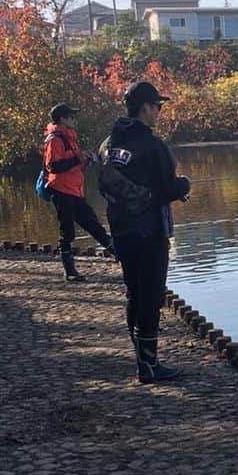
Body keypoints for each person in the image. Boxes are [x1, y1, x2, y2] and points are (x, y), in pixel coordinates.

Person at [98, 81, 190, 384]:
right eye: (158, 106)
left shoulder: (108, 144)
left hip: (121, 230)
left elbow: (105, 184)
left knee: (134, 293)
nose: (160, 112)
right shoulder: (153, 145)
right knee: (151, 296)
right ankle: (149, 366)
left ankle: (141, 359)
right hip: (150, 231)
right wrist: (183, 187)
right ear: (146, 107)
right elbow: (166, 187)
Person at [42, 103, 113, 282]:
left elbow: (71, 164)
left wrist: (84, 160)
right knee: (67, 232)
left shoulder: (69, 138)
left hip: (74, 191)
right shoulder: (55, 139)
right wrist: (77, 159)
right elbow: (54, 166)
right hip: (61, 191)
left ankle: (120, 255)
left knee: (93, 224)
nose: (75, 119)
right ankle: (70, 271)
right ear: (63, 119)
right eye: (72, 116)